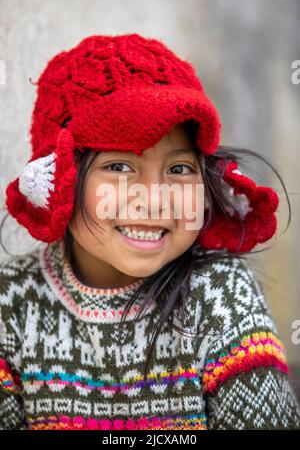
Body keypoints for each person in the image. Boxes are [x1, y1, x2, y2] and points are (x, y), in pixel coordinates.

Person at [0, 33, 299, 430]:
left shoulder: (221, 294)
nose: (155, 199)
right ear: (59, 180)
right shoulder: (12, 303)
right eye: (120, 167)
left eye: (178, 169)